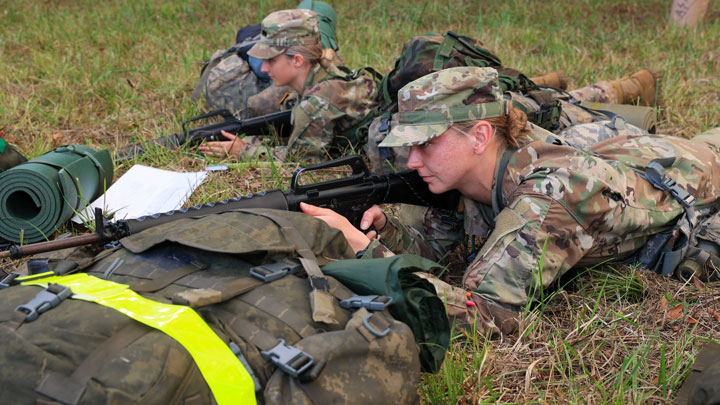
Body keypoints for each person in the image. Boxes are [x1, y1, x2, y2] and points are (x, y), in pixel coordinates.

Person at [301, 66, 720, 334]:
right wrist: (383, 235)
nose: (411, 160)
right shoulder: (478, 173)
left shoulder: (546, 198)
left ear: (481, 136)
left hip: (697, 171)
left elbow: (489, 317)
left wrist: (361, 253)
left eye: (425, 143)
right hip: (639, 155)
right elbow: (449, 258)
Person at [199, 9, 380, 162]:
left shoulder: (315, 103)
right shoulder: (323, 72)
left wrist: (244, 151)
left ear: (297, 60)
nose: (263, 67)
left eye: (271, 60)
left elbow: (303, 161)